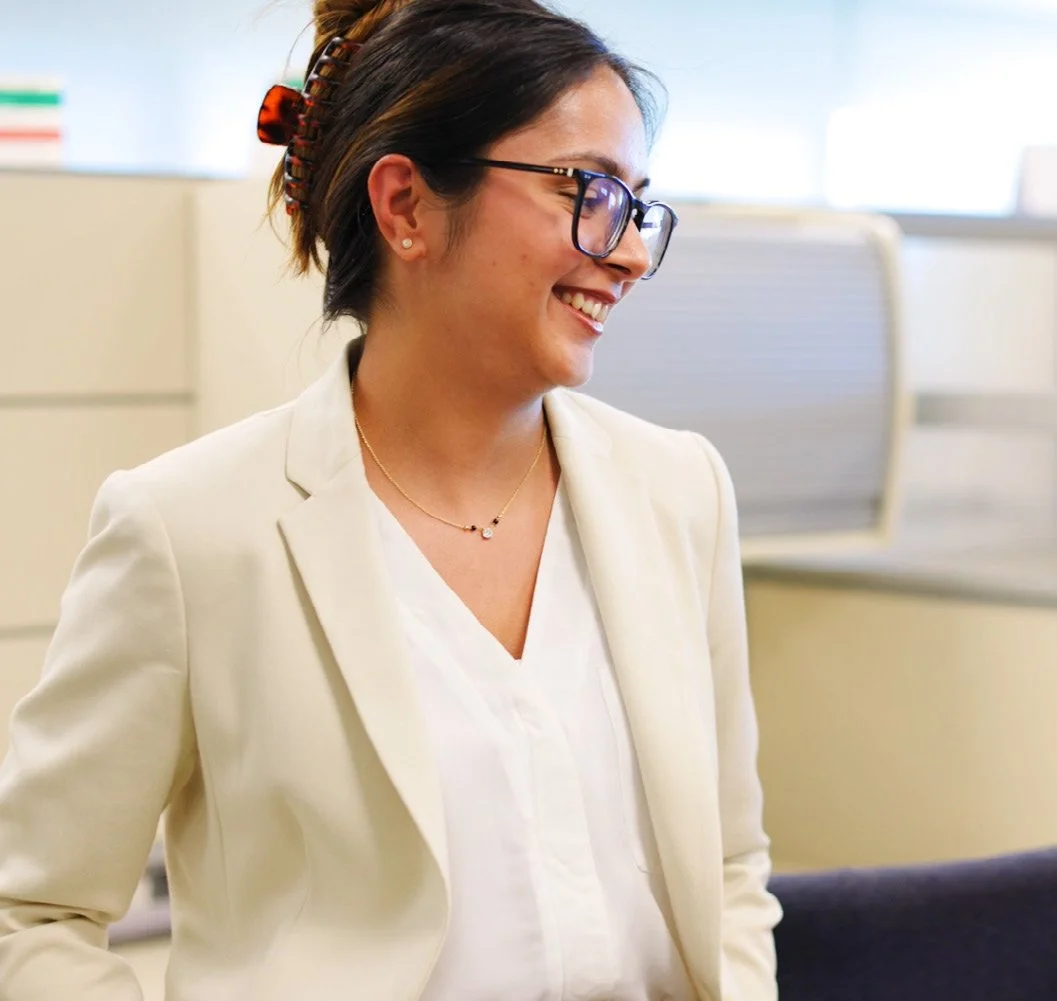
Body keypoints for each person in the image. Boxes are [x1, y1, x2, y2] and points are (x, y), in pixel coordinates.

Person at [0, 0, 781, 998]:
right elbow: (31, 913)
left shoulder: (677, 491)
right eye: (588, 190)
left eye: (636, 206)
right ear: (406, 205)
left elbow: (728, 861)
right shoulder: (190, 529)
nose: (627, 251)